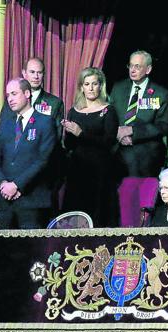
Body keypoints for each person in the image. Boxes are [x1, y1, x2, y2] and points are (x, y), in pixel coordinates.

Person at [0, 78, 57, 229]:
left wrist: (17, 185)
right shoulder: (6, 124)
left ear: (27, 93)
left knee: (32, 251)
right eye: (8, 95)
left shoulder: (45, 122)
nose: (10, 99)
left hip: (31, 202)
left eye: (14, 94)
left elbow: (43, 160)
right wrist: (4, 185)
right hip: (5, 202)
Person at [62, 67, 118, 227]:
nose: (91, 88)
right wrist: (68, 132)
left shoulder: (109, 111)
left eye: (95, 84)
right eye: (87, 84)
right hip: (78, 170)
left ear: (101, 86)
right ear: (81, 87)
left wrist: (81, 133)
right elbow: (69, 145)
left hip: (100, 171)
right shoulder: (74, 111)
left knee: (98, 214)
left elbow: (109, 141)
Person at [109, 50, 168, 177]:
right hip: (116, 151)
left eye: (137, 66)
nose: (132, 70)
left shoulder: (161, 94)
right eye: (130, 65)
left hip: (145, 155)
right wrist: (117, 133)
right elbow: (109, 116)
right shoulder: (118, 88)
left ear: (148, 69)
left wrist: (132, 131)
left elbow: (163, 126)